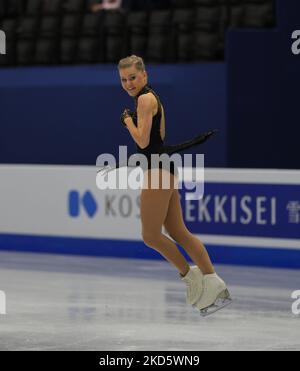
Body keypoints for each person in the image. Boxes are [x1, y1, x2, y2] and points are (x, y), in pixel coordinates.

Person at [105, 55, 232, 316]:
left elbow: (142, 141)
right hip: (164, 167)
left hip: (158, 171)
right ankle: (213, 280)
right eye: (123, 79)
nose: (128, 83)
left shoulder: (144, 99)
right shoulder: (152, 98)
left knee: (150, 235)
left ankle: (191, 276)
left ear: (145, 76)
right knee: (178, 231)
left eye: (133, 77)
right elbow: (156, 139)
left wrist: (127, 121)